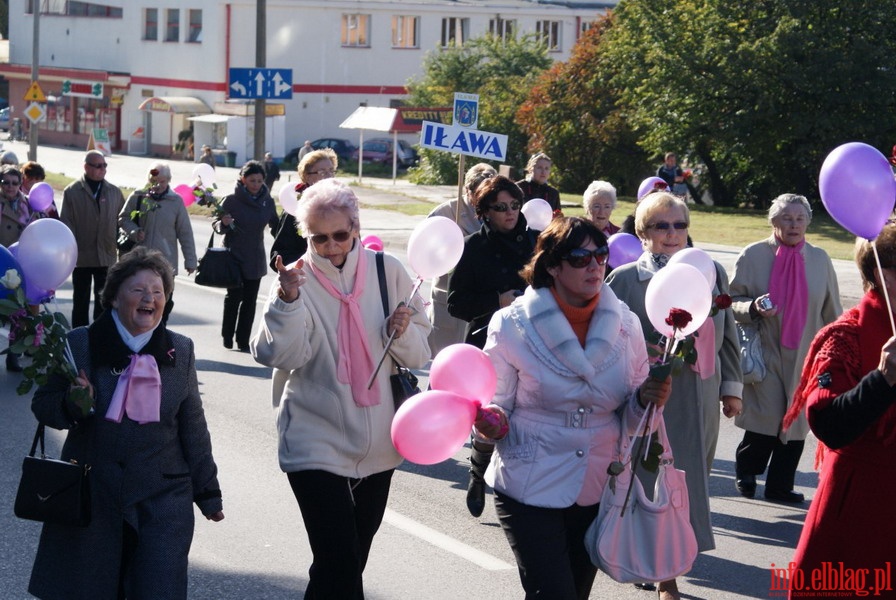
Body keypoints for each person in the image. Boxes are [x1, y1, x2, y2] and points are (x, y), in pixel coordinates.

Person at [251, 178, 431, 599]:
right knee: (339, 559)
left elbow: (420, 353)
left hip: (379, 444)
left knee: (348, 562)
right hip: (314, 438)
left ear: (355, 227)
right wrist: (288, 302)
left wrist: (400, 332)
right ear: (305, 234)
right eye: (318, 238)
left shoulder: (389, 271)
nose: (330, 246)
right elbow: (278, 355)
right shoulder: (295, 279)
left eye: (340, 235)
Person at [475, 216, 671, 600]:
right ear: (552, 265)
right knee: (553, 593)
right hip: (528, 481)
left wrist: (648, 401)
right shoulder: (513, 323)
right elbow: (495, 404)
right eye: (582, 257)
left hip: (597, 484)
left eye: (601, 254)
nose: (596, 265)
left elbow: (635, 422)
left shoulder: (626, 324)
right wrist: (490, 421)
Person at [27, 247, 224, 600]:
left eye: (159, 291)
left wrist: (208, 492)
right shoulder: (80, 343)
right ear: (115, 296)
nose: (150, 298)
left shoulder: (181, 350)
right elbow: (43, 406)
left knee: (156, 588)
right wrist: (72, 404)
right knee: (93, 589)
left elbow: (193, 425)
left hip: (162, 498)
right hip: (92, 493)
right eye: (138, 290)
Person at [606, 191, 743, 600]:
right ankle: (665, 572)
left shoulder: (710, 269)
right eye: (661, 226)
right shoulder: (626, 279)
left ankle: (676, 557)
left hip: (698, 396)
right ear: (642, 232)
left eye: (679, 224)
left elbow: (727, 334)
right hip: (646, 398)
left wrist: (731, 388)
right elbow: (609, 339)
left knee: (690, 481)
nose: (672, 233)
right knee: (653, 479)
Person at [783, 226, 896, 599]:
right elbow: (828, 422)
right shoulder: (845, 336)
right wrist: (882, 379)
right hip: (857, 511)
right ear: (883, 274)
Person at [729, 193, 841, 503]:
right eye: (786, 218)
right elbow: (729, 303)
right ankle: (747, 471)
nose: (794, 224)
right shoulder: (752, 255)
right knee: (766, 417)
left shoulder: (820, 259)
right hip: (765, 351)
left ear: (808, 222)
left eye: (800, 218)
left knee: (796, 423)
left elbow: (832, 312)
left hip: (807, 355)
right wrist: (751, 306)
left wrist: (838, 349)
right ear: (774, 221)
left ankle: (779, 487)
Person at [447, 174, 536, 518]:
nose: (510, 212)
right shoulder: (473, 247)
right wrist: (497, 300)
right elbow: (456, 303)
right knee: (490, 416)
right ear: (485, 212)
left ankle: (520, 490)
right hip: (488, 342)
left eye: (515, 205)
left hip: (534, 341)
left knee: (529, 416)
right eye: (501, 207)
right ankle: (477, 472)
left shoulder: (536, 241)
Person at [425, 162, 495, 356]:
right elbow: (427, 253)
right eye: (478, 194)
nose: (483, 200)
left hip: (483, 302)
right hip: (449, 300)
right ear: (467, 190)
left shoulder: (498, 211)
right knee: (445, 359)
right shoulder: (444, 213)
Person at [118, 162, 198, 323]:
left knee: (164, 301)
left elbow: (185, 233)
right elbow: (123, 218)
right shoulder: (138, 196)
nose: (158, 185)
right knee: (139, 300)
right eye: (154, 181)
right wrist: (134, 231)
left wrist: (190, 260)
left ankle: (160, 332)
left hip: (165, 262)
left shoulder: (175, 201)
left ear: (168, 181)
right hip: (139, 260)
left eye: (162, 181)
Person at [216, 160, 279, 352]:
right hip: (233, 256)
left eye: (260, 181)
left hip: (255, 258)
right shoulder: (231, 200)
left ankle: (243, 340)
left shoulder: (267, 201)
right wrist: (224, 223)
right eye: (252, 180)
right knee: (234, 297)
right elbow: (218, 227)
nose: (257, 184)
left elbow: (276, 226)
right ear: (243, 180)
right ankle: (227, 335)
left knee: (250, 301)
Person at [60, 150, 125, 328]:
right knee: (80, 300)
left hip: (106, 256)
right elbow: (66, 223)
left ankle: (101, 336)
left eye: (105, 165)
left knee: (104, 301)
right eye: (98, 166)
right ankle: (79, 337)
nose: (103, 169)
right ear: (86, 167)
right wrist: (69, 253)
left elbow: (123, 221)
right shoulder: (72, 192)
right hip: (81, 257)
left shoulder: (114, 192)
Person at [269, 148, 338, 270]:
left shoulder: (342, 207)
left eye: (331, 171)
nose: (329, 176)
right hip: (306, 281)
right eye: (322, 172)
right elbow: (280, 255)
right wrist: (308, 266)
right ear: (307, 177)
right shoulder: (294, 209)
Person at [0, 165, 40, 371]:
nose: (10, 187)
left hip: (22, 264)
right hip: (1, 262)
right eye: (5, 182)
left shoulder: (28, 204)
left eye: (15, 183)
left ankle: (13, 356)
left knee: (19, 312)